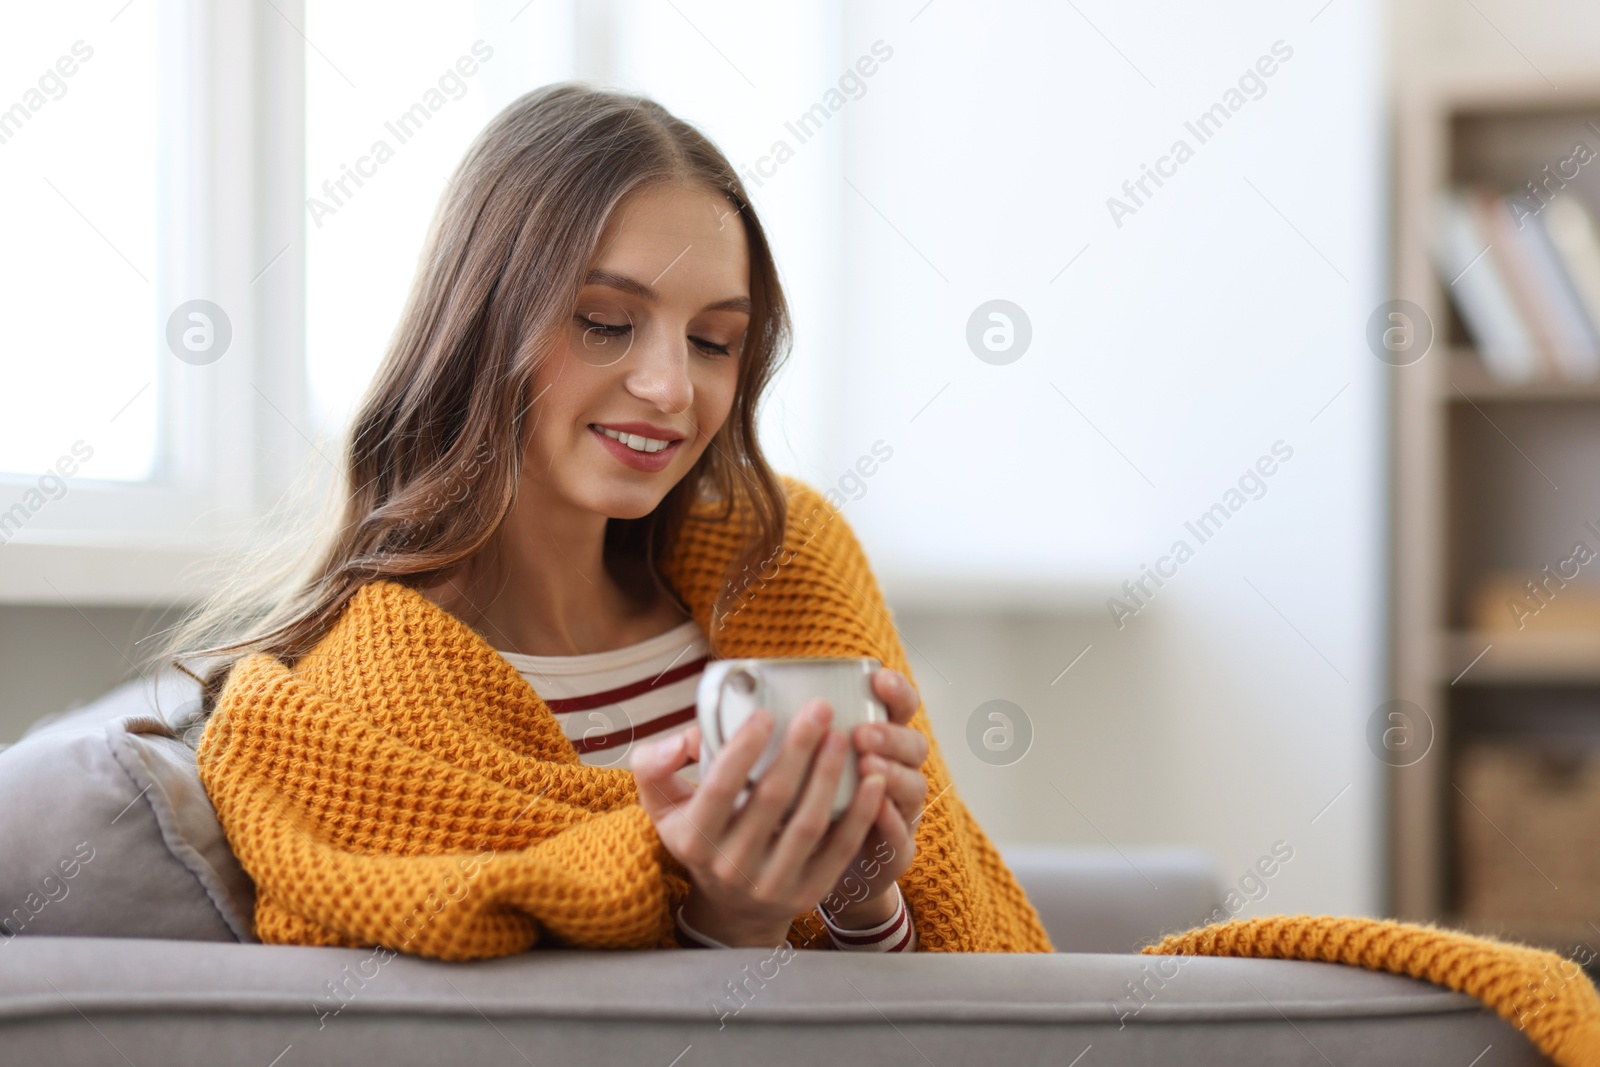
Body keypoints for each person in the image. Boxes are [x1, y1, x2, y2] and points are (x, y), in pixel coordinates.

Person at [158, 83, 1052, 959]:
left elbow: (952, 1011)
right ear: (479, 323)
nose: (671, 388)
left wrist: (862, 897)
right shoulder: (361, 712)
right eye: (605, 321)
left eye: (713, 342)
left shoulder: (785, 555)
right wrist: (729, 919)